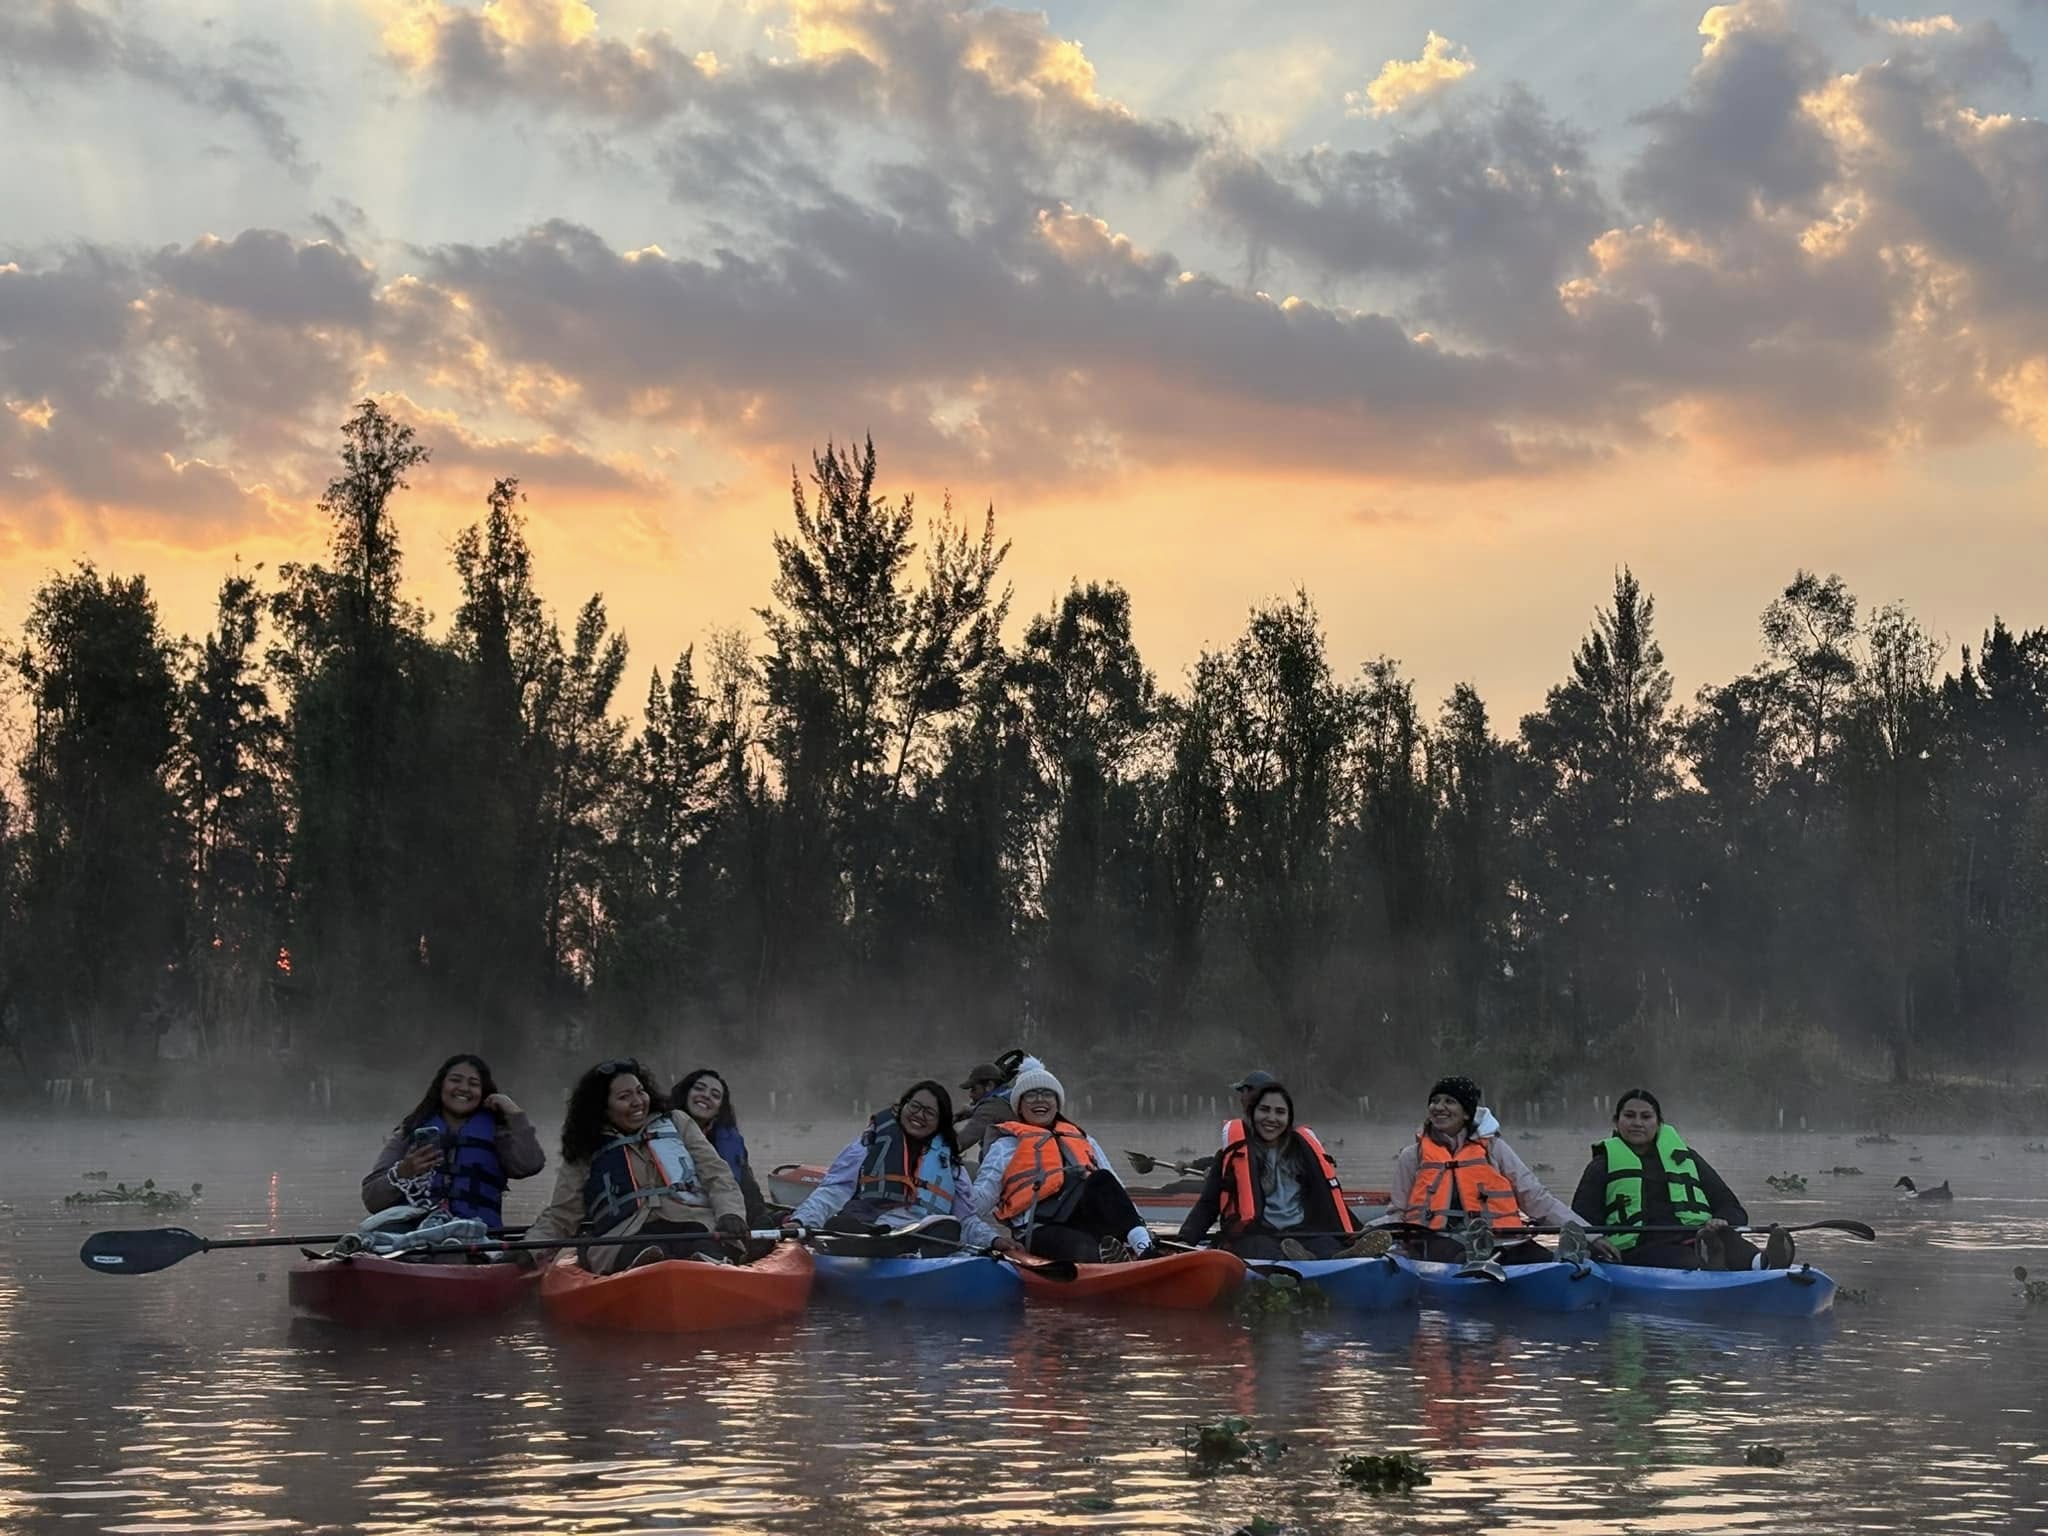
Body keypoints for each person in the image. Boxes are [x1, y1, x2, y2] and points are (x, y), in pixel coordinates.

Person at [522, 1058, 748, 1273]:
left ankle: (707, 1267)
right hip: (623, 1235)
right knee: (642, 1247)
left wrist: (730, 1213)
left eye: (640, 1091)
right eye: (624, 1097)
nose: (638, 1101)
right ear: (603, 1106)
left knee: (701, 1243)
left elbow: (717, 1175)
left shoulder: (677, 1121)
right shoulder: (586, 1146)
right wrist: (531, 1248)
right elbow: (563, 1213)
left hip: (693, 1223)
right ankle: (648, 1268)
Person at [1391, 1076, 1610, 1266]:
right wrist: (1391, 1245)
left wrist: (1591, 1235)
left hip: (1500, 1239)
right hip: (1434, 1241)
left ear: (1466, 1113)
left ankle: (1566, 1260)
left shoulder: (1494, 1149)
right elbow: (1398, 1212)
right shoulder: (1413, 1156)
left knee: (1543, 1258)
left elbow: (1535, 1198)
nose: (1438, 1107)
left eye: (1449, 1101)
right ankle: (1477, 1260)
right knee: (1458, 1256)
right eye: (1435, 1101)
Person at [1571, 1088, 1794, 1269]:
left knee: (1724, 1236)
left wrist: (1722, 1219)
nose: (1637, 1123)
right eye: (1629, 1116)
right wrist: (1597, 1242)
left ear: (1658, 1123)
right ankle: (1708, 1268)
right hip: (1641, 1248)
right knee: (1683, 1256)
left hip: (1697, 1238)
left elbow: (1732, 1207)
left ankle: (1763, 1263)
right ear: (1616, 1121)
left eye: (1646, 1117)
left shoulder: (1685, 1158)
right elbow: (1580, 1221)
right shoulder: (1601, 1166)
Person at [1177, 1081, 1384, 1260]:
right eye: (1264, 1110)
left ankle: (1333, 1258)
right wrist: (1185, 1240)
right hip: (1255, 1234)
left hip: (1302, 1233)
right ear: (1252, 1112)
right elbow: (1208, 1204)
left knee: (1326, 1244)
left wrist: (1358, 1232)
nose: (1271, 1118)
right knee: (1264, 1249)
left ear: (1289, 1118)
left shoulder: (1303, 1153)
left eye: (1280, 1112)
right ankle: (1301, 1263)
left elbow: (1329, 1198)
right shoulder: (1232, 1154)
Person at [972, 1064, 1156, 1263]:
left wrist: (1140, 1227)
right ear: (1019, 1106)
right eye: (1031, 1095)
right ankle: (1106, 1259)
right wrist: (957, 1186)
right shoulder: (1005, 1147)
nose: (1040, 1099)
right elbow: (979, 1202)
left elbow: (1116, 1191)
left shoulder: (1084, 1140)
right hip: (1038, 1229)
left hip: (1084, 1221)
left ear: (1057, 1103)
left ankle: (1144, 1248)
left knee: (1102, 1178)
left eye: (1047, 1094)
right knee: (1082, 1247)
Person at [789, 1080, 1000, 1255]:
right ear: (903, 1106)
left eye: (929, 1112)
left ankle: (904, 1249)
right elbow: (832, 1192)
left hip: (922, 1232)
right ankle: (876, 1246)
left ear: (940, 1122)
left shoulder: (950, 1164)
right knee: (842, 1226)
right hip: (870, 1227)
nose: (919, 1115)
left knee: (947, 1228)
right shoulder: (870, 1145)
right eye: (914, 1106)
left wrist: (994, 1240)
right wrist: (801, 1220)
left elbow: (967, 1219)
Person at [361, 1053, 545, 1230]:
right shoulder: (408, 1131)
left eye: (473, 1084)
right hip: (415, 1233)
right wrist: (404, 1171)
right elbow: (372, 1200)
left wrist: (514, 1113)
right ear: (441, 1085)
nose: (464, 1088)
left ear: (483, 1092)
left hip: (479, 1236)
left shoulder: (499, 1132)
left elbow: (529, 1165)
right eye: (455, 1080)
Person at [671, 1068, 769, 1227]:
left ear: (719, 1109)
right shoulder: (659, 1130)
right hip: (676, 1218)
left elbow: (747, 1189)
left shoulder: (730, 1141)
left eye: (715, 1095)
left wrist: (761, 1218)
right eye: (699, 1088)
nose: (706, 1096)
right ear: (685, 1093)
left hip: (725, 1220)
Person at [954, 1062, 1014, 1161]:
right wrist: (973, 1111)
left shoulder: (990, 1107)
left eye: (974, 1089)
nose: (971, 1095)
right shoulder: (1008, 1097)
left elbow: (960, 1143)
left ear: (989, 1085)